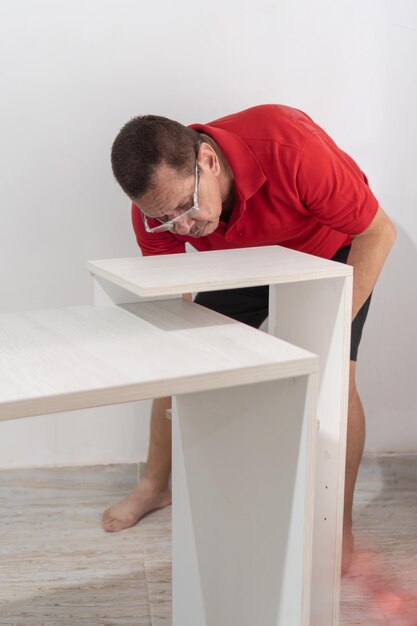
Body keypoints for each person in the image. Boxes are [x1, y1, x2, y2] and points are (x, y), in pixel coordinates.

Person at [102, 104, 396, 574]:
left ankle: (337, 527)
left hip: (333, 246)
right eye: (164, 219)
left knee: (336, 377)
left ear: (208, 161)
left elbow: (379, 232)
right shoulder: (156, 210)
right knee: (177, 355)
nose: (180, 227)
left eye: (184, 208)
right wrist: (180, 351)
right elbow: (169, 299)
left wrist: (331, 332)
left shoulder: (292, 149)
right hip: (245, 255)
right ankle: (157, 484)